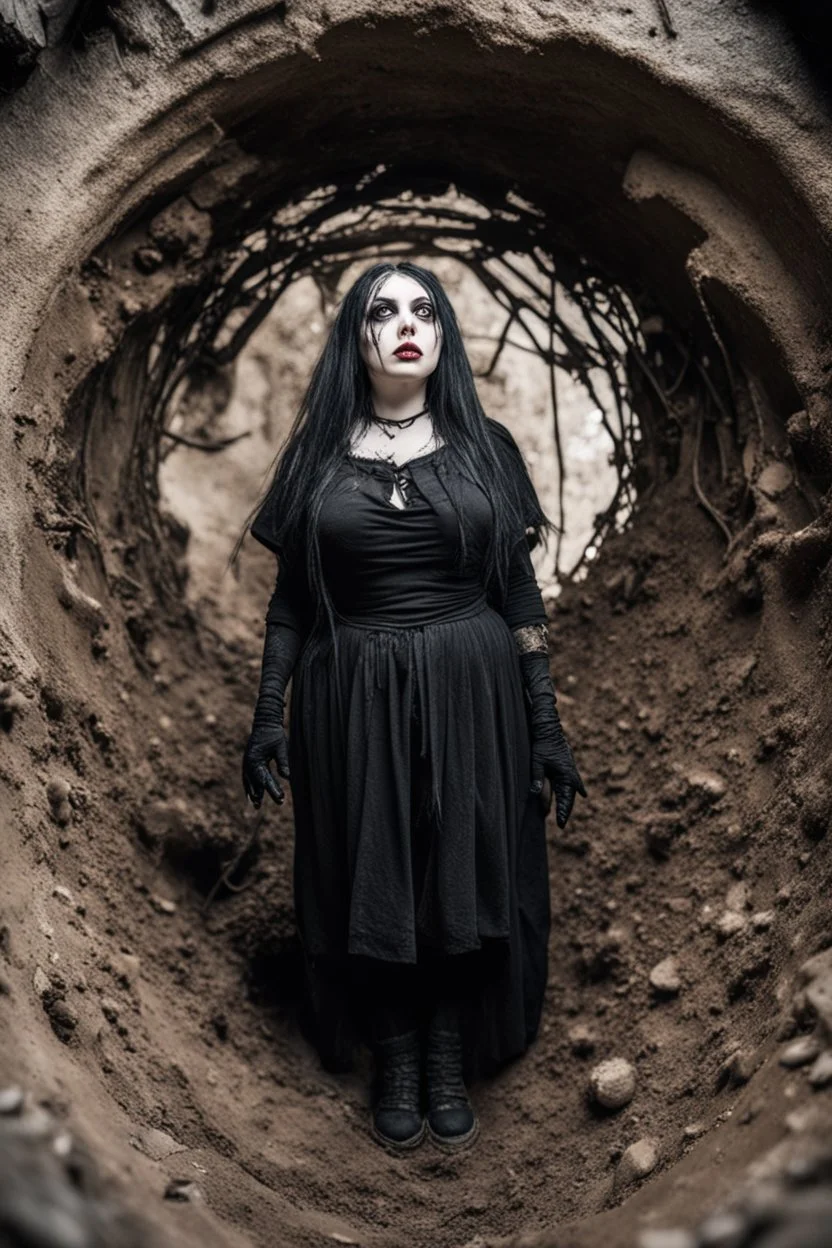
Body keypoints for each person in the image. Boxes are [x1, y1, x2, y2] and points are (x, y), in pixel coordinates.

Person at [240, 261, 587, 1154]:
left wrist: (545, 727)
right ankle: (394, 1054)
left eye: (423, 311)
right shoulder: (318, 456)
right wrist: (268, 715)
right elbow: (289, 607)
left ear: (441, 337)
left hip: (475, 689)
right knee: (372, 861)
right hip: (351, 689)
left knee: (460, 860)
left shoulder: (487, 449)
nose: (406, 325)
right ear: (356, 336)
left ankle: (444, 1050)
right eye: (382, 311)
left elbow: (520, 595)